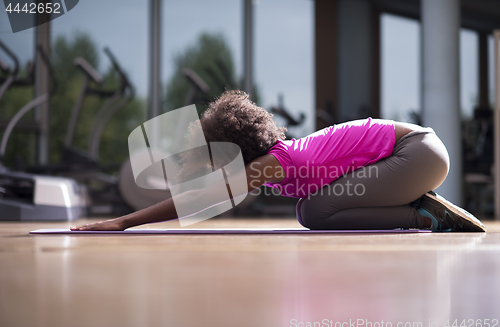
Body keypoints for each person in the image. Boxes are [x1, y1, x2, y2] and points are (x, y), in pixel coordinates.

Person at [71, 90, 485, 232]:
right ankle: (420, 209)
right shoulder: (279, 160)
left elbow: (200, 200)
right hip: (419, 151)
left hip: (416, 152)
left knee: (316, 212)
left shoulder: (272, 164)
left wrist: (124, 220)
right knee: (310, 207)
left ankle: (426, 217)